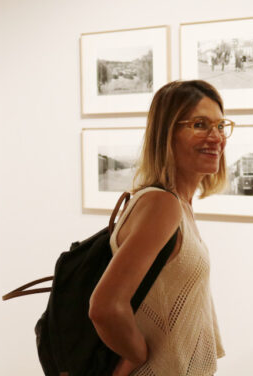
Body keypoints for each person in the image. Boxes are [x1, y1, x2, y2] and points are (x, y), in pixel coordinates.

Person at [89, 80, 234, 376]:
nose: (215, 137)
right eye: (199, 124)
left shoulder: (179, 204)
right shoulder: (162, 204)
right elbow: (105, 306)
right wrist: (137, 354)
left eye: (220, 126)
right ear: (167, 134)